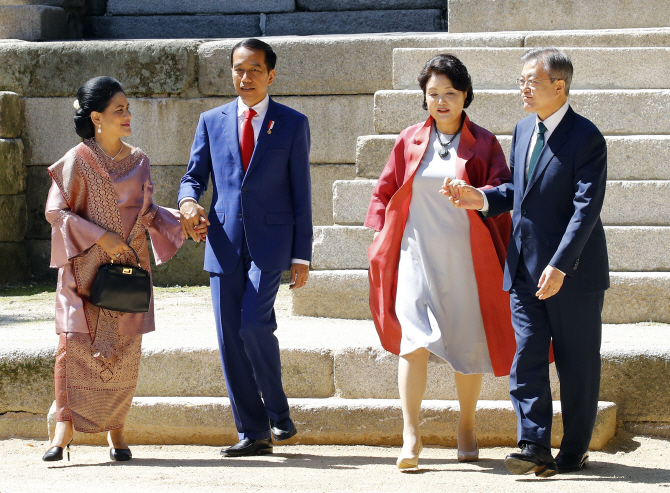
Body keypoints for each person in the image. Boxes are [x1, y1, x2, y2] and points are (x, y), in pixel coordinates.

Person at [442, 47, 609, 477]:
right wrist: (479, 198)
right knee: (527, 357)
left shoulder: (586, 137)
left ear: (559, 86)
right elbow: (519, 190)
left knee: (577, 364)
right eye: (521, 80)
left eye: (531, 81)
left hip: (571, 272)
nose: (524, 88)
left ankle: (574, 450)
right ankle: (533, 444)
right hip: (523, 268)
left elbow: (585, 210)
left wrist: (560, 265)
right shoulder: (522, 129)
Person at [365, 54, 516, 470]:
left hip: (466, 255)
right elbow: (384, 189)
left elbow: (504, 189)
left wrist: (476, 193)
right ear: (424, 98)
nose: (442, 101)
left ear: (466, 95)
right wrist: (380, 231)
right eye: (433, 94)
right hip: (415, 252)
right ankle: (411, 434)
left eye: (450, 93)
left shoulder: (484, 142)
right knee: (412, 344)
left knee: (467, 343)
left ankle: (466, 426)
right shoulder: (410, 139)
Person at [43, 76, 191, 462]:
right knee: (73, 346)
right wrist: (100, 237)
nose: (127, 115)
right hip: (84, 270)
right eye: (118, 110)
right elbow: (55, 211)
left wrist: (184, 224)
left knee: (126, 350)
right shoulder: (76, 160)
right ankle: (63, 430)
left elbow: (148, 214)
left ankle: (117, 431)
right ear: (96, 117)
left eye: (128, 108)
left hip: (128, 268)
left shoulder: (139, 160)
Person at [178, 38, 312, 457]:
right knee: (228, 338)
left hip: (272, 244)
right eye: (238, 68)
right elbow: (193, 177)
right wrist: (186, 203)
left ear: (271, 75)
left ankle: (279, 413)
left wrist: (301, 254)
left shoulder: (291, 123)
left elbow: (301, 191)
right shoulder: (211, 121)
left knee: (254, 324)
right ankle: (253, 432)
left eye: (255, 69)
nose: (245, 77)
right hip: (222, 242)